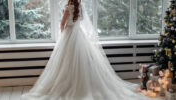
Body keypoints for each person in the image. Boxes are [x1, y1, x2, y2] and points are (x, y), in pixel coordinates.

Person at [22, 0, 158, 100]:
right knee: (83, 62)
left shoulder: (67, 7)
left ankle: (69, 85)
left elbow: (62, 24)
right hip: (79, 35)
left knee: (64, 63)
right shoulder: (80, 8)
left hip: (69, 35)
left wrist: (62, 33)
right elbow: (82, 21)